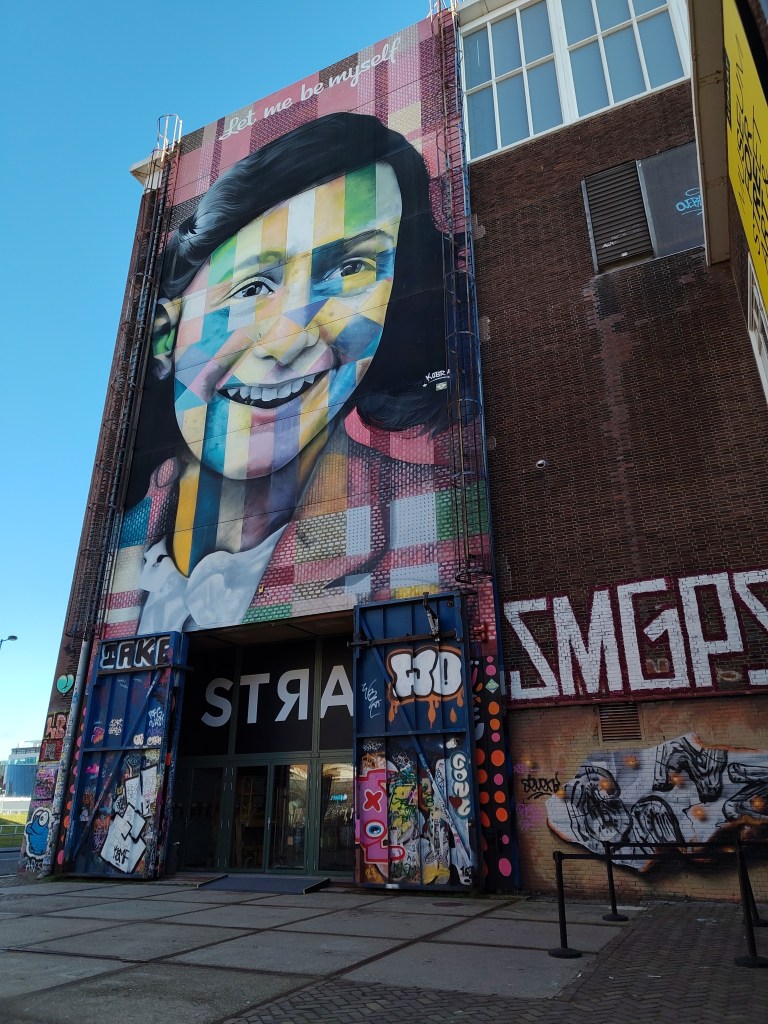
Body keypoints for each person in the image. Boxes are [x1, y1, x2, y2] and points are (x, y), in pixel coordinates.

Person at [113, 112, 451, 633]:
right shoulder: (123, 542)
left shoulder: (430, 519)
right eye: (251, 288)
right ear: (164, 336)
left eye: (352, 269)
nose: (292, 338)